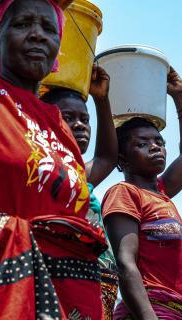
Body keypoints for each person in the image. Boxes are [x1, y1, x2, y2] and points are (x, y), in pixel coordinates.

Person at [0, 1, 107, 319]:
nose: (38, 35)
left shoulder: (60, 127)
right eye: (23, 24)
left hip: (64, 297)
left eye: (49, 28)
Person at [101, 67, 182, 320]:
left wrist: (180, 96)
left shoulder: (161, 192)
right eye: (142, 143)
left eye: (159, 142)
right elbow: (126, 264)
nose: (155, 147)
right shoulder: (124, 193)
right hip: (148, 312)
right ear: (122, 158)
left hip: (178, 312)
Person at [41, 67, 119, 320]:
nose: (80, 125)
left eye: (85, 119)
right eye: (68, 117)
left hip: (99, 284)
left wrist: (101, 99)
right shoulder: (40, 169)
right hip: (58, 283)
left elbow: (107, 157)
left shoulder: (81, 174)